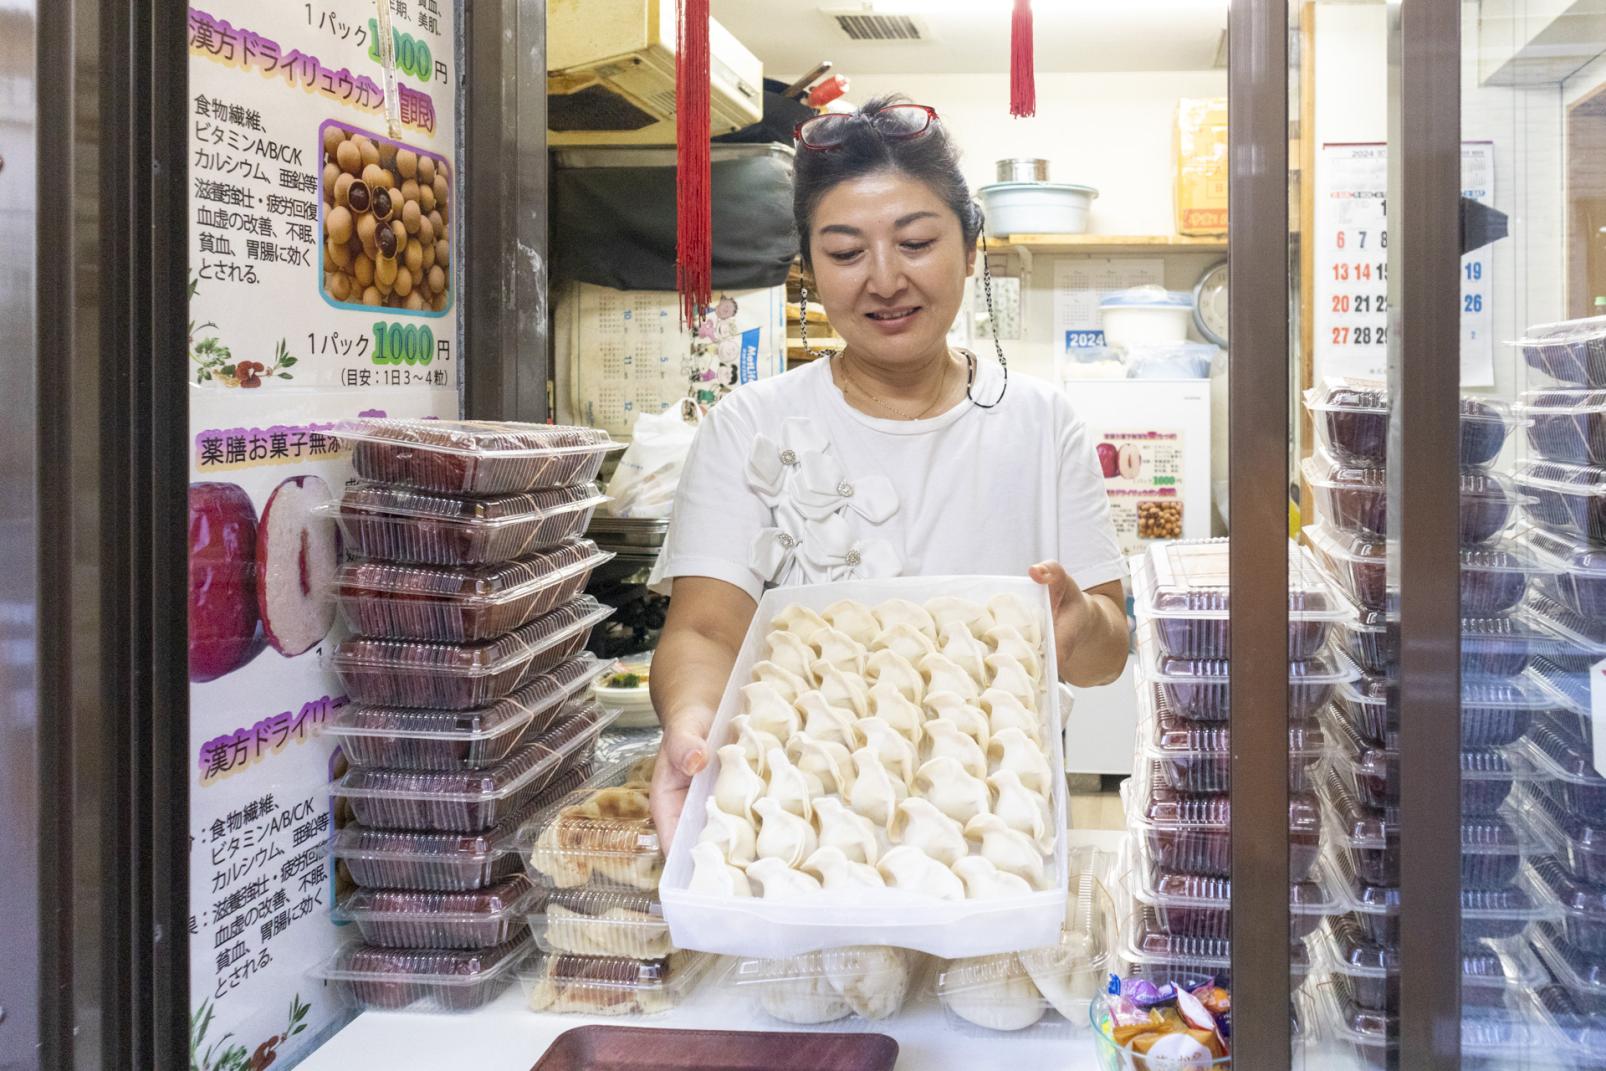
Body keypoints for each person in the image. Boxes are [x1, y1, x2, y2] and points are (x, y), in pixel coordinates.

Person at [646, 95, 1128, 848]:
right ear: (808, 270)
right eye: (844, 253)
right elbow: (706, 633)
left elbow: (1106, 653)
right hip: (797, 822)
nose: (884, 278)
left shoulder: (1040, 424)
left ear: (971, 248)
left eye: (915, 242)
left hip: (1002, 821)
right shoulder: (749, 427)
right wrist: (691, 725)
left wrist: (1074, 624)